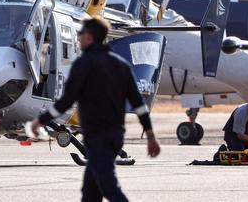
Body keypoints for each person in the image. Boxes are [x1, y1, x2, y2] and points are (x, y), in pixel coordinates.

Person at [30, 16, 160, 202]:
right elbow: (139, 106)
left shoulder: (84, 64)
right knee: (90, 193)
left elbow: (66, 101)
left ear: (89, 37)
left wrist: (40, 121)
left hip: (98, 138)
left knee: (109, 188)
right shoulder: (121, 65)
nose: (78, 38)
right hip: (114, 136)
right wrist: (150, 136)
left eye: (80, 34)